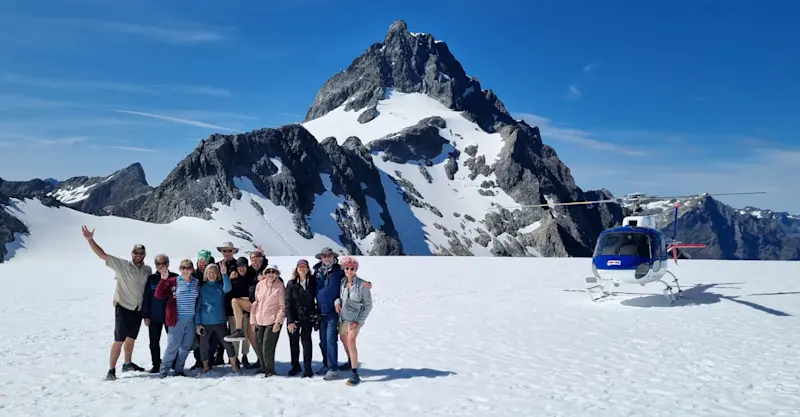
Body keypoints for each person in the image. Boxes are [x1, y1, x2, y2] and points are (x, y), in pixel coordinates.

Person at [80, 225, 152, 381]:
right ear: (132, 253)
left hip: (137, 309)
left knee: (131, 338)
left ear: (144, 255)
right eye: (136, 253)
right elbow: (102, 255)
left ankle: (127, 363)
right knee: (119, 339)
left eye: (141, 253)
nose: (138, 255)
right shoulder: (122, 265)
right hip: (123, 308)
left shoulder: (147, 270)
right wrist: (90, 240)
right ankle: (111, 370)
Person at [312, 247, 372, 380]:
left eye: (329, 255)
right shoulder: (316, 272)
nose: (327, 257)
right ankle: (326, 364)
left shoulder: (339, 271)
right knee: (323, 341)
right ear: (320, 257)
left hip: (334, 313)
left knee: (330, 340)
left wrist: (366, 284)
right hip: (320, 311)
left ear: (334, 257)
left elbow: (352, 278)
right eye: (324, 255)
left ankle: (333, 368)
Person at [155, 259, 199, 377]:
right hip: (176, 319)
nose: (185, 270)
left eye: (188, 268)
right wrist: (162, 281)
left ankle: (179, 369)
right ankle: (164, 370)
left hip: (191, 320)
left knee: (186, 346)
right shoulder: (173, 281)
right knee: (173, 346)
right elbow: (158, 295)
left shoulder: (196, 282)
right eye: (183, 268)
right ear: (180, 269)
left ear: (192, 269)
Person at [195, 263, 241, 374]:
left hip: (220, 321)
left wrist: (225, 274)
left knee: (227, 344)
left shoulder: (221, 286)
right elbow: (199, 306)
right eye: (209, 272)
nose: (212, 274)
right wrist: (197, 324)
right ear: (206, 274)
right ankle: (206, 366)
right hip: (205, 322)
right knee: (204, 345)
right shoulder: (202, 288)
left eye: (214, 272)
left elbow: (228, 288)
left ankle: (234, 365)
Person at [335, 256, 373, 386]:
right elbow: (340, 297)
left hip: (355, 320)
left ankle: (354, 373)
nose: (349, 271)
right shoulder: (343, 283)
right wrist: (337, 303)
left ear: (356, 270)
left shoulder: (362, 285)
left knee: (351, 341)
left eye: (352, 269)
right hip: (344, 318)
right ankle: (350, 361)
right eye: (347, 268)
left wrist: (359, 322)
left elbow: (368, 305)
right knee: (343, 339)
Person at [141, 253, 177, 373]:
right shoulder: (151, 279)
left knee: (173, 341)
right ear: (155, 265)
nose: (161, 266)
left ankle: (174, 362)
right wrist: (146, 315)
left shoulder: (175, 278)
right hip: (154, 316)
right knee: (154, 341)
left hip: (170, 316)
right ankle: (156, 364)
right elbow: (146, 298)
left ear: (168, 264)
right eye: (159, 264)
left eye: (164, 263)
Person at [250, 264, 286, 377]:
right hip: (259, 319)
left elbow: (282, 306)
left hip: (272, 321)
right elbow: (255, 302)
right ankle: (263, 367)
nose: (271, 274)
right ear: (265, 273)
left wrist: (278, 322)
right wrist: (253, 320)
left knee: (267, 345)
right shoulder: (260, 285)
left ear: (277, 274)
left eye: (273, 272)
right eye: (268, 272)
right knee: (259, 344)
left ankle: (270, 369)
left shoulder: (280, 286)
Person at [284, 259, 317, 377]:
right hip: (295, 316)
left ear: (308, 269)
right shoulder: (291, 284)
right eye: (300, 267)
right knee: (293, 342)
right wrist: (290, 321)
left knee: (306, 341)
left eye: (304, 266)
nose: (302, 269)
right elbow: (287, 302)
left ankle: (307, 368)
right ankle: (295, 365)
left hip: (308, 317)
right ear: (296, 269)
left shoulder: (313, 282)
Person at [224, 257, 257, 368]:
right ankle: (235, 358)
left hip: (248, 311)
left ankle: (245, 356)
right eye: (239, 266)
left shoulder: (251, 276)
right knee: (235, 336)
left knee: (247, 336)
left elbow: (260, 265)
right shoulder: (233, 279)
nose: (241, 268)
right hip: (235, 312)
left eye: (243, 266)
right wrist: (228, 314)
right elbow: (228, 297)